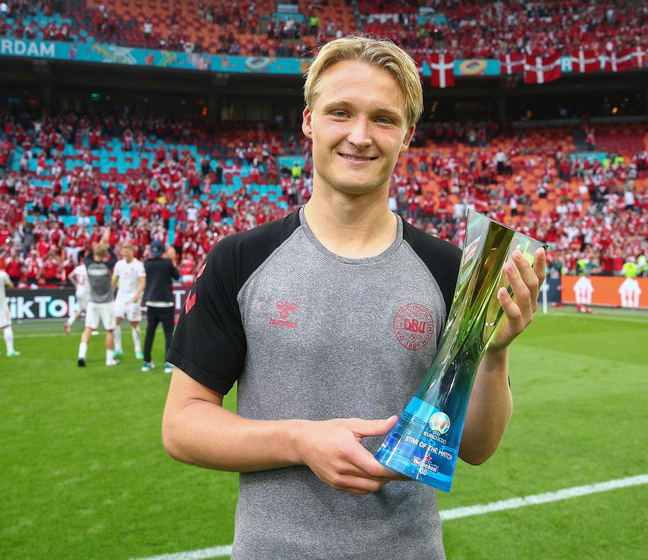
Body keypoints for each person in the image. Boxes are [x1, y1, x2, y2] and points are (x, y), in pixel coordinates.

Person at [161, 35, 546, 559]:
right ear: (309, 121)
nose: (359, 136)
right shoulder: (240, 260)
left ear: (407, 135)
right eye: (340, 112)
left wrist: (494, 353)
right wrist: (300, 441)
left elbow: (476, 447)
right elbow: (182, 425)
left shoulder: (452, 270)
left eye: (383, 119)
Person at [77, 241, 119, 367]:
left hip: (93, 302)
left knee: (88, 329)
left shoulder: (89, 265)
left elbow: (87, 257)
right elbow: (114, 258)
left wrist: (95, 248)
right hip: (107, 303)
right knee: (109, 330)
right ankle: (109, 359)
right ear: (104, 254)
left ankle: (81, 355)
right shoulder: (107, 266)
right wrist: (108, 247)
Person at [141, 240, 180, 373]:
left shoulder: (147, 263)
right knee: (168, 333)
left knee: (149, 333)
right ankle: (168, 363)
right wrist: (172, 259)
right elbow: (176, 276)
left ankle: (146, 361)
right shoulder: (167, 263)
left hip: (151, 302)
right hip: (165, 302)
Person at [112, 242, 146, 359]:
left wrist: (138, 294)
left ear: (132, 251)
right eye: (123, 251)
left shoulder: (138, 265)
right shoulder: (119, 264)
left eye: (127, 251)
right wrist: (110, 293)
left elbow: (142, 281)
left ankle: (137, 349)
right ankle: (118, 348)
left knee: (134, 323)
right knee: (116, 321)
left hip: (133, 298)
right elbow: (114, 280)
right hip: (120, 297)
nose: (125, 254)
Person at [64, 254, 89, 334]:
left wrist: (76, 284)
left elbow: (70, 276)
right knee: (89, 310)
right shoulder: (89, 269)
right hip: (86, 292)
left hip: (79, 291)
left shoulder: (78, 268)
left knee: (81, 310)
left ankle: (68, 323)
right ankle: (87, 329)